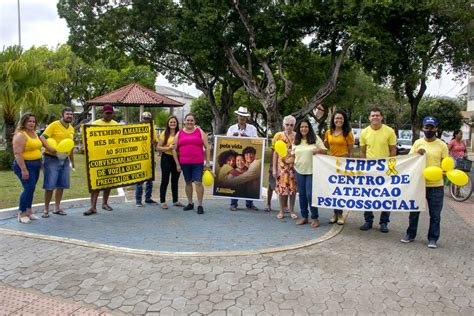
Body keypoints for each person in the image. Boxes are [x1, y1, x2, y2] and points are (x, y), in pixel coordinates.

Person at [401, 116, 448, 249]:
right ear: (423, 128)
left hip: (436, 185)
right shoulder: (417, 143)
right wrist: (417, 153)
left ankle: (433, 238)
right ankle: (410, 234)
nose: (429, 129)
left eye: (432, 127)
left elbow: (446, 164)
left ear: (436, 128)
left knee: (435, 214)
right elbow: (409, 160)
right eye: (427, 127)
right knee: (414, 212)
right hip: (419, 184)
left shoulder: (442, 145)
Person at [359, 107, 397, 233]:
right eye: (373, 115)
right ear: (369, 118)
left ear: (381, 117)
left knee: (386, 195)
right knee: (368, 196)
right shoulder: (364, 133)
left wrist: (390, 166)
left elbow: (392, 150)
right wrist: (364, 167)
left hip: (385, 170)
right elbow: (362, 152)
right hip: (370, 170)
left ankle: (384, 222)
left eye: (377, 115)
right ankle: (368, 220)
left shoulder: (389, 131)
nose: (375, 117)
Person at [172, 113, 211, 214]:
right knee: (188, 182)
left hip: (197, 162)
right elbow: (173, 149)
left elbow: (207, 146)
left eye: (191, 120)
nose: (189, 122)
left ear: (194, 122)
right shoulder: (179, 133)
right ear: (184, 122)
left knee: (198, 182)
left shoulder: (200, 131)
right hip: (184, 163)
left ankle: (200, 205)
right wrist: (177, 163)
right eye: (188, 120)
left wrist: (207, 162)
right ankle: (190, 203)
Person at [40, 107, 75, 217]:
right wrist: (50, 148)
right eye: (67, 114)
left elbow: (70, 146)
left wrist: (72, 162)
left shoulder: (71, 129)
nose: (69, 116)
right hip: (51, 158)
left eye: (71, 114)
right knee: (50, 185)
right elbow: (42, 137)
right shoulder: (54, 125)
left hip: (64, 159)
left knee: (61, 185)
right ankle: (46, 210)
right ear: (62, 115)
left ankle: (57, 208)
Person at [84, 104, 118, 216]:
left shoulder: (116, 125)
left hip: (111, 158)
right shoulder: (95, 124)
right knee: (96, 183)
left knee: (108, 183)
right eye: (107, 113)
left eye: (110, 113)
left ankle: (105, 203)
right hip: (97, 158)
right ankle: (93, 206)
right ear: (102, 113)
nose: (109, 115)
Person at [293, 118, 327, 228]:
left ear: (309, 128)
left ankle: (315, 217)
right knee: (302, 195)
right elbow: (293, 155)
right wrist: (286, 160)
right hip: (299, 170)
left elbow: (324, 150)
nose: (304, 129)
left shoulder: (315, 138)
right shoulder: (296, 140)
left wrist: (318, 151)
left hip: (312, 171)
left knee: (310, 194)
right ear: (299, 128)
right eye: (302, 127)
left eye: (306, 127)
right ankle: (304, 217)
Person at [324, 109, 354, 225]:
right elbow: (325, 145)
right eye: (337, 118)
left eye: (341, 118)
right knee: (333, 190)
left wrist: (350, 165)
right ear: (333, 119)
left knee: (340, 190)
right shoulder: (328, 132)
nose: (339, 120)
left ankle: (340, 214)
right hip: (331, 164)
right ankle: (335, 213)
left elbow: (351, 151)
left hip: (343, 163)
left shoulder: (348, 133)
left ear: (344, 120)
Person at [12, 113, 43, 224]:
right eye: (29, 121)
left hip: (36, 165)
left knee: (32, 188)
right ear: (24, 122)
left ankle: (29, 211)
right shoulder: (20, 135)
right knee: (28, 188)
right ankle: (22, 213)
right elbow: (17, 153)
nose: (32, 123)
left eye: (33, 121)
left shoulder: (34, 133)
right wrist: (24, 169)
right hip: (25, 165)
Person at [226, 106, 258, 211]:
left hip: (247, 157)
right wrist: (233, 137)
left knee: (248, 178)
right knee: (236, 178)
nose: (242, 118)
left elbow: (258, 142)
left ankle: (249, 203)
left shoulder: (252, 129)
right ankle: (233, 203)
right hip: (236, 157)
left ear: (246, 118)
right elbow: (226, 142)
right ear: (237, 116)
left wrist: (247, 137)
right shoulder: (231, 129)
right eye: (240, 116)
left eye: (244, 116)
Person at [273, 115, 298, 220]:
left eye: (291, 125)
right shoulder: (278, 136)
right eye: (287, 125)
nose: (289, 127)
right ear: (283, 125)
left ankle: (292, 210)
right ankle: (281, 210)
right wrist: (274, 169)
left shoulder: (297, 136)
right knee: (282, 190)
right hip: (281, 168)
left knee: (293, 190)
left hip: (293, 167)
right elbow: (275, 153)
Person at [157, 115, 183, 209]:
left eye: (174, 122)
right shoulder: (164, 133)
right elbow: (158, 147)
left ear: (177, 124)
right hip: (166, 158)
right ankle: (162, 201)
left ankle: (175, 200)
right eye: (171, 122)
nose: (172, 123)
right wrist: (168, 148)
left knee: (175, 181)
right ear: (168, 123)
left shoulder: (180, 133)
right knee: (165, 180)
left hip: (177, 158)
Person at [135, 112, 158, 207]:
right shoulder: (136, 129)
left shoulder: (153, 130)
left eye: (148, 119)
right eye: (144, 118)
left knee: (149, 180)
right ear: (141, 119)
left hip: (151, 159)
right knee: (140, 180)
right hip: (140, 158)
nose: (146, 120)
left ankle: (148, 198)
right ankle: (138, 200)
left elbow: (156, 144)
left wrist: (154, 143)